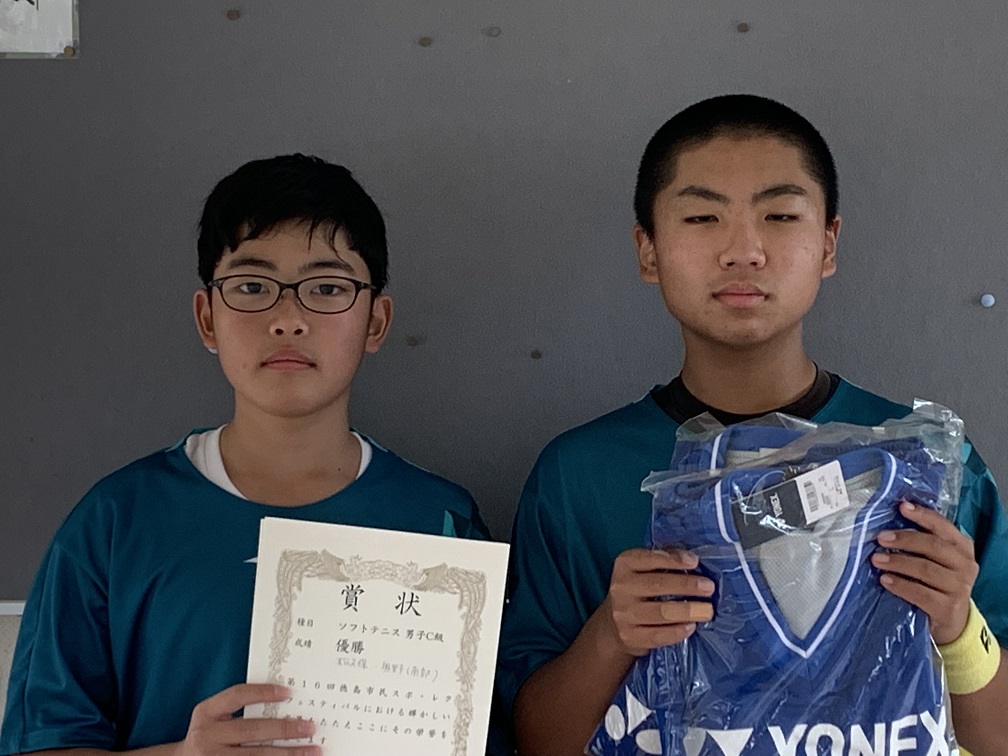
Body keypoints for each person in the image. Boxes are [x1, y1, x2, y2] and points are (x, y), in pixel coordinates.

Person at [495, 94, 1008, 755]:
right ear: (648, 250)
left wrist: (959, 631)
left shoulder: (925, 465)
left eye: (780, 215)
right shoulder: (581, 475)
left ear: (828, 243)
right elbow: (536, 740)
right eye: (703, 217)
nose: (744, 251)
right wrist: (610, 637)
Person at [1, 154, 490, 754]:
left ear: (375, 322)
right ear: (207, 318)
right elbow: (40, 740)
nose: (288, 319)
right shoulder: (116, 522)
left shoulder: (442, 521)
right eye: (252, 287)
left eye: (328, 288)